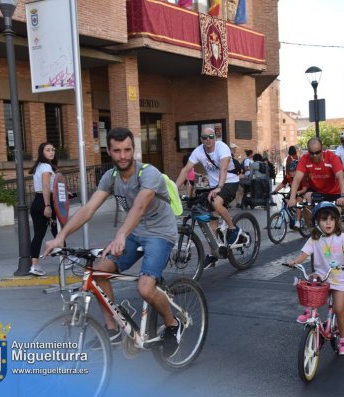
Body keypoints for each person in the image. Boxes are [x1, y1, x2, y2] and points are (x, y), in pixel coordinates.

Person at [43, 127, 181, 352]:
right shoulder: (111, 177)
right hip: (135, 233)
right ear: (109, 151)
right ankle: (113, 330)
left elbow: (140, 205)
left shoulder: (149, 173)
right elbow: (88, 209)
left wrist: (121, 234)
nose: (123, 155)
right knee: (98, 273)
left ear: (134, 150)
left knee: (145, 288)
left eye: (127, 150)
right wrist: (61, 237)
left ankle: (172, 324)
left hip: (160, 233)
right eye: (117, 151)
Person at [286, 202, 344, 355]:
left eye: (332, 219)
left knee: (338, 308)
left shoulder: (342, 237)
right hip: (322, 277)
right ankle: (310, 312)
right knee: (311, 282)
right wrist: (295, 262)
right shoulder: (314, 239)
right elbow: (304, 254)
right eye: (324, 220)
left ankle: (343, 340)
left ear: (336, 221)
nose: (328, 222)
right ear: (317, 222)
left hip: (339, 279)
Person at [176, 127, 241, 268]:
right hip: (214, 186)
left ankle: (232, 228)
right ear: (201, 139)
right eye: (204, 137)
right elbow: (186, 170)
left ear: (215, 137)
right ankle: (214, 253)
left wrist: (219, 187)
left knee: (217, 204)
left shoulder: (222, 147)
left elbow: (223, 168)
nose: (208, 139)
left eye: (210, 136)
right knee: (210, 218)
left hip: (229, 181)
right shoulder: (198, 151)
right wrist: (174, 189)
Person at [288, 137, 344, 208]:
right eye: (311, 153)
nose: (314, 155)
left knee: (335, 215)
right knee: (306, 199)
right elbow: (297, 178)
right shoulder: (304, 158)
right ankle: (309, 219)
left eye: (317, 152)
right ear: (308, 150)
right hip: (316, 191)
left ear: (322, 149)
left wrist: (343, 196)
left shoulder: (332, 157)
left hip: (333, 192)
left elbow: (341, 176)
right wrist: (292, 198)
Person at [28, 142, 59, 276]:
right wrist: (47, 206)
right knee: (58, 231)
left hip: (37, 201)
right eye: (48, 150)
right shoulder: (46, 166)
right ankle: (68, 259)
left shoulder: (39, 166)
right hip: (46, 202)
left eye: (53, 149)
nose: (51, 152)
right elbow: (46, 186)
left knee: (39, 235)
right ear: (42, 152)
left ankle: (34, 266)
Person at [272, 159, 308, 228]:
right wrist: (275, 191)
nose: (291, 173)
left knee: (298, 201)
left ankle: (298, 221)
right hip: (293, 192)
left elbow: (304, 189)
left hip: (302, 193)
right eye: (290, 171)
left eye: (293, 171)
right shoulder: (288, 176)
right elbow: (282, 184)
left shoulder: (302, 176)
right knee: (284, 200)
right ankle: (292, 216)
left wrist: (297, 192)